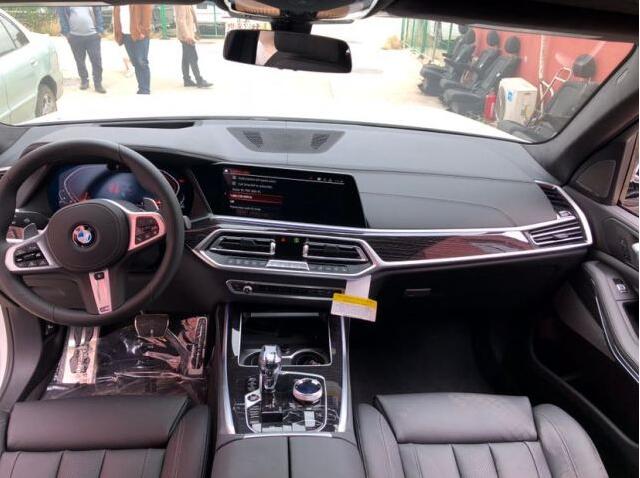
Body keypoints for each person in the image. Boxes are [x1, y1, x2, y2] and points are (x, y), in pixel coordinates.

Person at [57, 6, 106, 93]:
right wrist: (67, 34)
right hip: (75, 37)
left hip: (93, 36)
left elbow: (98, 13)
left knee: (97, 61)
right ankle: (84, 81)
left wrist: (100, 31)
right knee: (79, 61)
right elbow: (62, 16)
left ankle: (98, 84)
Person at [113, 4, 153, 94]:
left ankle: (145, 89)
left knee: (141, 61)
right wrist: (118, 33)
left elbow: (147, 11)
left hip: (139, 34)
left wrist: (144, 31)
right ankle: (141, 87)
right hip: (126, 35)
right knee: (135, 62)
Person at [174, 5, 211, 88]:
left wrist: (196, 30)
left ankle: (187, 80)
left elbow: (191, 17)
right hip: (186, 36)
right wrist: (187, 36)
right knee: (193, 57)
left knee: (186, 58)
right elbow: (181, 20)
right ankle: (199, 80)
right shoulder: (181, 4)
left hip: (188, 34)